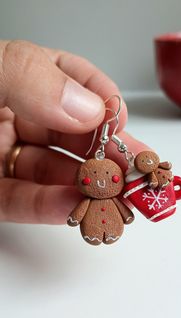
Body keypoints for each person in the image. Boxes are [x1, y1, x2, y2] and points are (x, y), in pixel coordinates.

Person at [0, 40, 148, 224]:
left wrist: (126, 216)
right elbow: (79, 212)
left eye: (114, 178)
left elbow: (125, 215)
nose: (101, 183)